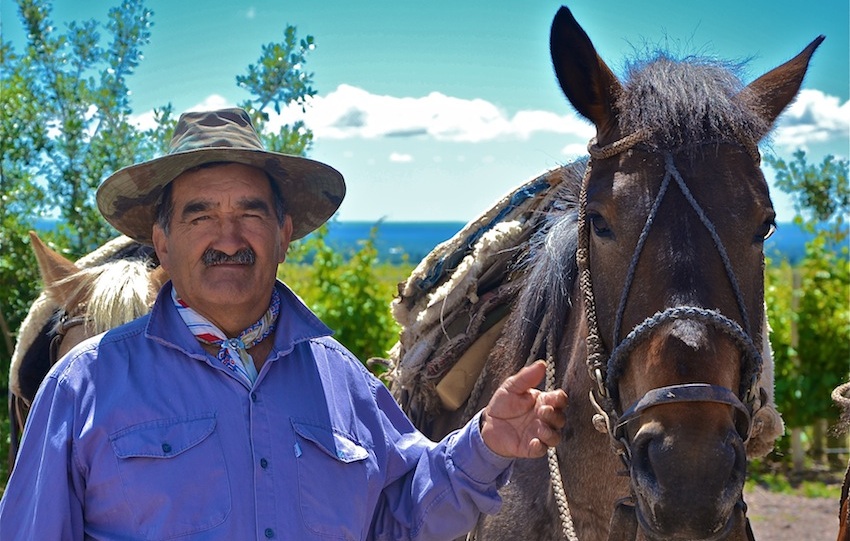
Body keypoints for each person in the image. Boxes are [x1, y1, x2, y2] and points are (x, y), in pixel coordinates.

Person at [0, 108, 567, 540]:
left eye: (250, 212)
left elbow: (404, 515)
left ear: (283, 235)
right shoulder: (81, 387)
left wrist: (488, 444)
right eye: (200, 215)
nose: (228, 236)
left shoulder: (344, 382)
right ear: (162, 245)